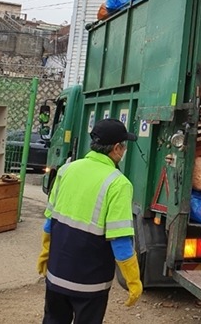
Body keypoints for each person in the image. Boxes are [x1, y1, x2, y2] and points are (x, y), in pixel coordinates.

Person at [38, 118, 142, 324]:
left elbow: (50, 221)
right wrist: (133, 281)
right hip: (90, 283)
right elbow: (120, 240)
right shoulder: (118, 183)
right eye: (124, 146)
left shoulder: (67, 170)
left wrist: (44, 254)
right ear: (117, 148)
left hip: (57, 273)